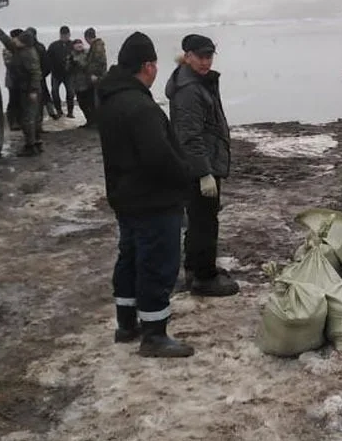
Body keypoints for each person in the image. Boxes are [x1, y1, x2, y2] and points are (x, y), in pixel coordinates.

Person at [97, 32, 195, 358]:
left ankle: (126, 324)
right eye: (154, 64)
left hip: (127, 198)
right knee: (157, 264)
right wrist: (184, 178)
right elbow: (159, 157)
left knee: (130, 258)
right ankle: (154, 335)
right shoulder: (140, 107)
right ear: (148, 66)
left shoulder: (111, 100)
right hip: (154, 200)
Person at [166, 34, 237, 297]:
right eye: (201, 56)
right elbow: (190, 136)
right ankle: (204, 279)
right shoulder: (189, 90)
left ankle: (195, 268)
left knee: (199, 218)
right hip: (200, 165)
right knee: (205, 220)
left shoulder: (198, 80)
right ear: (188, 56)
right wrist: (204, 172)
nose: (206, 61)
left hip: (204, 161)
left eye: (209, 56)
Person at [0, 24, 42, 156]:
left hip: (29, 90)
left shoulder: (29, 55)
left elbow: (36, 73)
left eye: (18, 39)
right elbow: (6, 40)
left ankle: (31, 146)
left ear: (24, 42)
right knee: (29, 117)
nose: (15, 40)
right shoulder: (19, 50)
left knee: (28, 118)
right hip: (24, 89)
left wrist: (33, 91)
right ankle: (35, 143)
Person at [77, 27, 108, 126]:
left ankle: (99, 122)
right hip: (95, 77)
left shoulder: (97, 47)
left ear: (87, 38)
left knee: (97, 100)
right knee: (94, 100)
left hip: (98, 77)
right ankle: (95, 121)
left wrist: (95, 74)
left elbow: (99, 62)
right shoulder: (95, 46)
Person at [47, 25, 76, 120]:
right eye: (63, 35)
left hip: (69, 74)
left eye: (67, 35)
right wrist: (51, 69)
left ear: (69, 34)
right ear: (60, 35)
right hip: (56, 74)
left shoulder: (73, 45)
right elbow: (48, 59)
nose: (65, 37)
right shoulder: (53, 46)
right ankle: (59, 111)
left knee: (71, 92)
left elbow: (79, 57)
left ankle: (70, 112)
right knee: (55, 92)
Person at [27, 28, 55, 120]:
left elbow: (46, 63)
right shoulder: (38, 47)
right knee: (43, 95)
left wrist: (43, 74)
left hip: (37, 75)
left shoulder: (36, 47)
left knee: (41, 96)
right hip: (38, 75)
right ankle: (50, 113)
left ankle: (47, 114)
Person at [3, 27, 24, 131]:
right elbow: (9, 63)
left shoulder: (21, 48)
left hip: (20, 79)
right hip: (12, 79)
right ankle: (13, 122)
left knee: (20, 100)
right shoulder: (9, 49)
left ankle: (19, 121)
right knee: (13, 100)